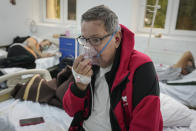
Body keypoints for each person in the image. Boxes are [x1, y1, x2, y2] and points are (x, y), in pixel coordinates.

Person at [63, 5, 163, 131]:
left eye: (96, 40)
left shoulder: (141, 68)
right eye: (85, 40)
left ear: (117, 39)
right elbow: (70, 110)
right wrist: (79, 86)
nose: (88, 48)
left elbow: (146, 126)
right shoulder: (88, 67)